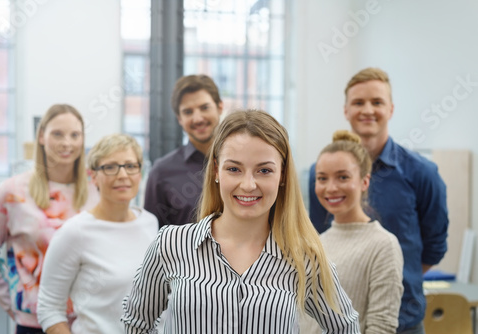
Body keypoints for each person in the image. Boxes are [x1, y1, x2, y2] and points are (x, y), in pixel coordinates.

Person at [122, 110, 360, 333]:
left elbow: (346, 328)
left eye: (264, 171)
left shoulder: (304, 256)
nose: (248, 184)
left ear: (283, 175)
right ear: (216, 171)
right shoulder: (171, 245)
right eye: (234, 169)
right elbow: (135, 323)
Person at [308, 68, 449, 333]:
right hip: (336, 320)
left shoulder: (422, 173)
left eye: (377, 102)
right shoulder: (322, 175)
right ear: (346, 110)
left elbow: (435, 246)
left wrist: (386, 272)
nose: (367, 110)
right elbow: (321, 237)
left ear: (391, 109)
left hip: (402, 320)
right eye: (358, 103)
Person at [0, 104, 99, 334]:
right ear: (41, 136)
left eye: (75, 135)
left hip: (89, 320)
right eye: (57, 134)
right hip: (32, 322)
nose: (67, 143)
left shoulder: (98, 187)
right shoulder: (11, 191)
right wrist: (12, 301)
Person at [37, 134, 159, 334]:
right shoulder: (75, 232)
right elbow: (49, 308)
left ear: (140, 172)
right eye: (110, 167)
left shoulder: (150, 223)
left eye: (130, 166)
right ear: (93, 176)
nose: (122, 175)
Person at [306, 130, 403, 334]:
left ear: (364, 181)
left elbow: (382, 327)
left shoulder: (383, 245)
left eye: (342, 177)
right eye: (322, 178)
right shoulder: (316, 242)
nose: (330, 188)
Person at [144, 74, 223, 228]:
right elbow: (153, 237)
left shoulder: (243, 163)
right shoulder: (161, 172)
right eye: (188, 112)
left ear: (220, 107)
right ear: (179, 119)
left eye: (204, 107)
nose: (198, 118)